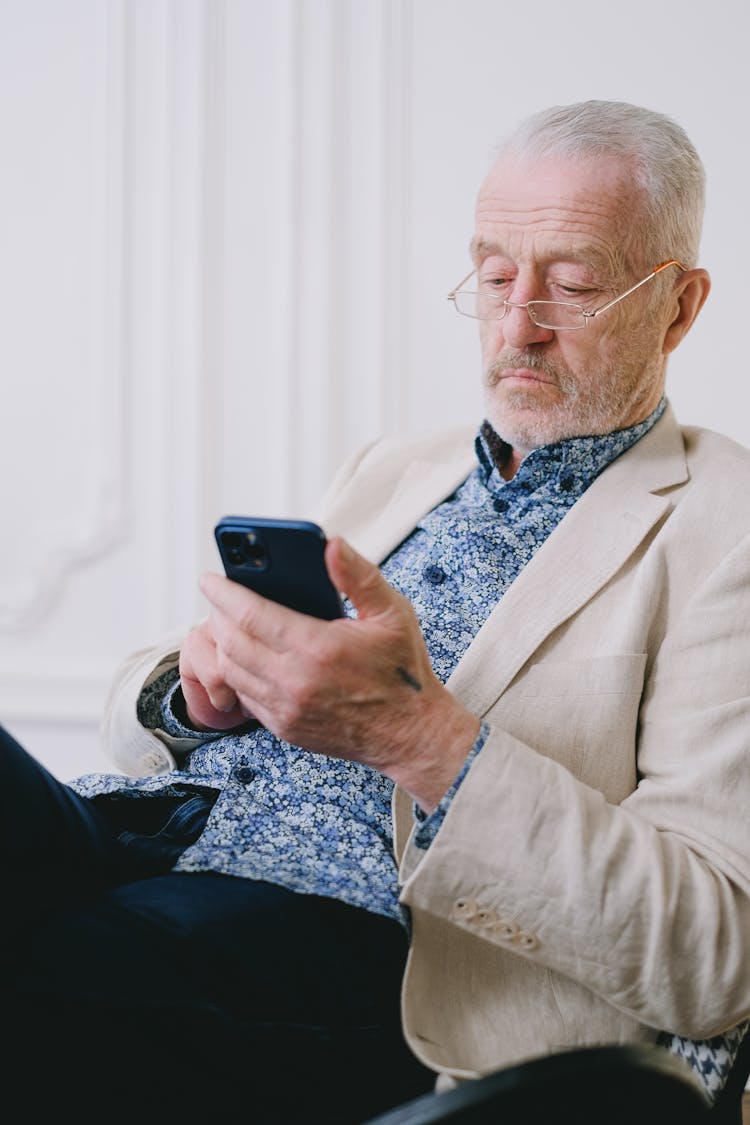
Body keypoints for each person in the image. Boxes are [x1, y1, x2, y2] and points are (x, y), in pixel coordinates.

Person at [3, 99, 750, 1122]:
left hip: (360, 950)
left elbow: (709, 953)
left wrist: (423, 740)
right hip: (144, 832)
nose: (517, 323)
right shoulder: (398, 466)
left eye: (573, 284)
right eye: (493, 277)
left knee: (53, 977)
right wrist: (197, 692)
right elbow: (156, 709)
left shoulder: (727, 531)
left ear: (679, 305)